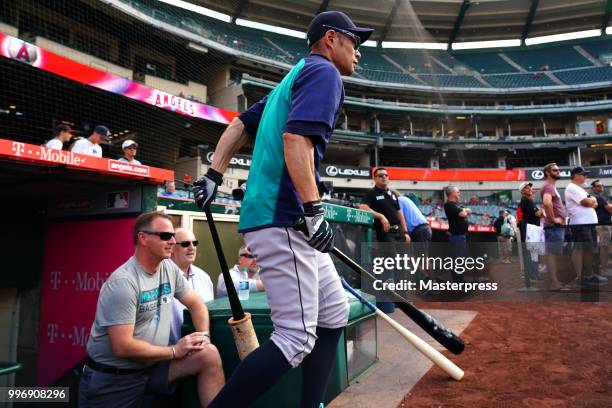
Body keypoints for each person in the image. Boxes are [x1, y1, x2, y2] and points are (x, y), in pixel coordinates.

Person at [192, 11, 373, 408]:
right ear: (330, 39)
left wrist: (212, 174)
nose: (358, 52)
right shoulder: (325, 74)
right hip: (286, 218)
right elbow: (295, 140)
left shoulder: (289, 81)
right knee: (295, 337)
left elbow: (239, 124)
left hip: (281, 217)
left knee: (334, 312)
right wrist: (313, 210)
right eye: (354, 43)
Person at [79, 211, 224, 407]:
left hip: (153, 367)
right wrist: (174, 350)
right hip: (115, 379)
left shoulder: (168, 268)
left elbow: (196, 304)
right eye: (165, 236)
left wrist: (204, 336)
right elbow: (122, 347)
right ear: (143, 238)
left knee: (208, 354)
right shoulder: (124, 282)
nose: (173, 241)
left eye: (173, 236)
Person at [170, 228, 215, 345]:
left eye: (194, 243)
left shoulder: (204, 277)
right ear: (172, 248)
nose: (192, 247)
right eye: (185, 244)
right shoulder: (162, 277)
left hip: (201, 346)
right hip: (170, 352)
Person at [564, 167, 606, 288]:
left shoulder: (579, 188)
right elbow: (588, 203)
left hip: (587, 223)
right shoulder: (571, 187)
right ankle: (579, 277)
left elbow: (595, 202)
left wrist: (592, 200)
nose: (585, 176)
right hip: (580, 224)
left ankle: (589, 275)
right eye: (583, 174)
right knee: (579, 249)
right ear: (576, 175)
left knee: (588, 250)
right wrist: (592, 200)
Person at [359, 168, 410, 243]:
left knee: (403, 255)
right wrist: (381, 217)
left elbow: (399, 213)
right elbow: (363, 207)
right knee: (391, 255)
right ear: (374, 178)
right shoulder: (371, 193)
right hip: (384, 233)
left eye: (386, 175)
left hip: (399, 232)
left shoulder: (393, 194)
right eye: (380, 175)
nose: (384, 177)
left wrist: (406, 232)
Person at [540, 162, 567, 291]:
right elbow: (546, 203)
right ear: (548, 173)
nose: (558, 172)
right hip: (554, 226)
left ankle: (554, 281)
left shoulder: (550, 186)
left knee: (553, 254)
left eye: (558, 170)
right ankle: (554, 282)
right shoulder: (548, 186)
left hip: (555, 226)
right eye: (555, 170)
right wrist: (553, 219)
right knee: (552, 254)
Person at [443, 185, 471, 282]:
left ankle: (459, 280)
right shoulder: (449, 204)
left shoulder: (456, 205)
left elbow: (469, 211)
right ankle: (457, 281)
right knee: (457, 259)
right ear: (453, 193)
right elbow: (463, 213)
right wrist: (465, 210)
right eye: (458, 192)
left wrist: (465, 210)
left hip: (460, 235)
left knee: (460, 259)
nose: (459, 193)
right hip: (456, 236)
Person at [518, 182, 544, 281]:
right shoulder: (526, 200)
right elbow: (538, 214)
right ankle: (533, 275)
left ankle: (535, 274)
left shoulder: (527, 200)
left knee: (534, 252)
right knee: (533, 253)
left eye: (530, 187)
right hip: (531, 229)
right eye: (526, 188)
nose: (530, 189)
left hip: (532, 228)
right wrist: (545, 207)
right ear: (522, 191)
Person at [591, 180, 612, 276]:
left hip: (604, 224)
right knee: (604, 246)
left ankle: (603, 265)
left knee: (604, 246)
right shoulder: (598, 197)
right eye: (598, 186)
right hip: (602, 224)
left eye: (602, 185)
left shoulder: (603, 196)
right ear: (594, 188)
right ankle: (604, 268)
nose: (601, 187)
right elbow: (610, 208)